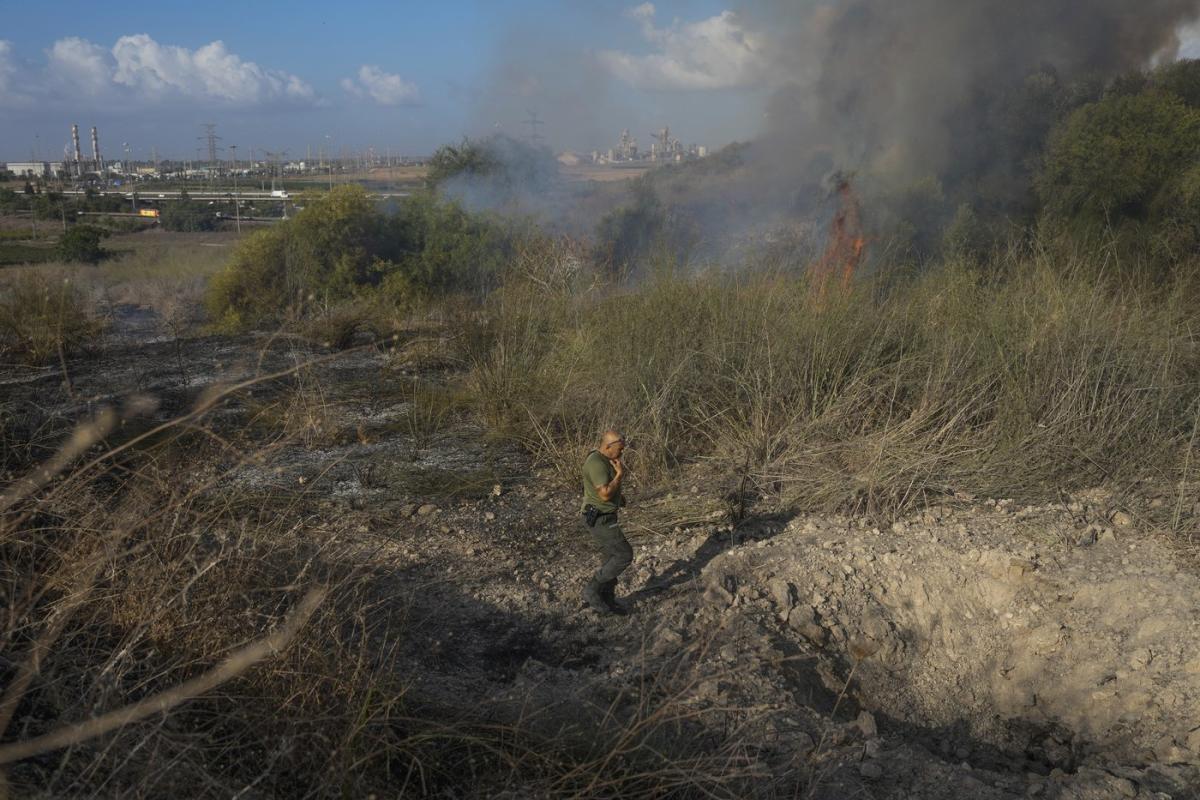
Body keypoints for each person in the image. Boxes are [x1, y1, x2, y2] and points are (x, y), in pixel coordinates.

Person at [580, 430, 632, 616]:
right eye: (620, 448)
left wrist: (619, 499)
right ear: (608, 446)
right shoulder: (595, 463)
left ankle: (607, 599)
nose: (622, 452)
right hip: (600, 519)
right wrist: (619, 475)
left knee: (610, 559)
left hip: (606, 515)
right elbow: (604, 494)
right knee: (624, 555)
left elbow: (608, 492)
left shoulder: (604, 460)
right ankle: (592, 590)